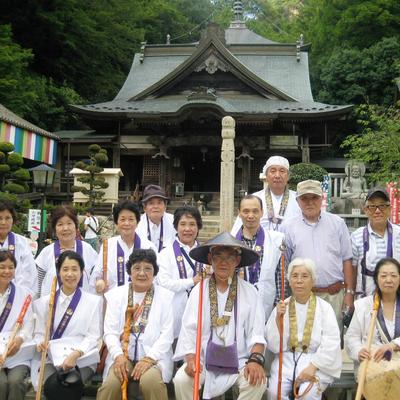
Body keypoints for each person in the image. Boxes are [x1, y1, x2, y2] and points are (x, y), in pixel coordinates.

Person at [173, 232, 267, 400]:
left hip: (239, 361)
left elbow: (257, 333)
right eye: (218, 257)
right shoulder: (199, 290)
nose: (223, 263)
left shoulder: (250, 292)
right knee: (181, 380)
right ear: (210, 259)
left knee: (258, 382)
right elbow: (188, 330)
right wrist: (191, 358)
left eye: (230, 257)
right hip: (203, 361)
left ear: (237, 261)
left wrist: (255, 360)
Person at [97, 249, 174, 400]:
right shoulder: (116, 296)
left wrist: (149, 358)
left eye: (148, 268)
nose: (142, 273)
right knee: (112, 384)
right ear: (129, 271)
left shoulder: (166, 297)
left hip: (154, 358)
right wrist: (118, 356)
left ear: (154, 272)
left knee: (150, 382)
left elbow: (167, 334)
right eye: (137, 268)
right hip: (122, 356)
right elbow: (110, 333)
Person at [266, 258, 342, 400]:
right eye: (295, 276)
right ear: (289, 281)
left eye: (305, 276)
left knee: (307, 395)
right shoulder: (283, 306)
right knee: (274, 393)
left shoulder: (325, 308)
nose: (299, 280)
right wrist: (278, 319)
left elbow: (331, 342)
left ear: (313, 281)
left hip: (316, 360)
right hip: (287, 358)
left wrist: (313, 367)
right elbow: (274, 346)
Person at [281, 180, 354, 326]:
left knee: (332, 340)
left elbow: (347, 259)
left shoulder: (337, 223)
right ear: (297, 201)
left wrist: (349, 293)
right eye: (304, 198)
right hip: (302, 295)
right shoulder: (288, 227)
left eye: (314, 197)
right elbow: (285, 264)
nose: (310, 202)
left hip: (333, 294)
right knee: (303, 340)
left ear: (322, 198)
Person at [33, 250, 102, 400]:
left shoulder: (93, 301)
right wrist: (40, 343)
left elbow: (93, 336)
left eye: (74, 269)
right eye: (65, 269)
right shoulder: (46, 302)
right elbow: (39, 333)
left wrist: (76, 354)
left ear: (82, 272)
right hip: (51, 357)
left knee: (67, 386)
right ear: (58, 272)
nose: (70, 274)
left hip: (82, 358)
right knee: (50, 386)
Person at [230, 194, 284, 320]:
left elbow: (280, 276)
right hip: (237, 304)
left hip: (266, 304)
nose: (250, 216)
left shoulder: (276, 240)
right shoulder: (230, 243)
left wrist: (278, 304)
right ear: (239, 213)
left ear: (262, 213)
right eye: (246, 211)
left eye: (255, 211)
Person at [157, 206, 205, 339]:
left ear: (198, 227)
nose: (187, 229)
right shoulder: (166, 253)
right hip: (174, 313)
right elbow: (164, 283)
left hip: (200, 313)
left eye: (192, 224)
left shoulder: (207, 253)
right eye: (182, 224)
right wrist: (192, 281)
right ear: (176, 227)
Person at [345, 257, 400, 370]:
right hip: (373, 366)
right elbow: (352, 337)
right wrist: (359, 351)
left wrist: (393, 345)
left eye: (394, 276)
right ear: (376, 279)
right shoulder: (363, 305)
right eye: (383, 276)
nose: (389, 280)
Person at [90, 201, 156, 293]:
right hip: (114, 302)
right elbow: (97, 276)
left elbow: (156, 278)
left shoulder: (148, 247)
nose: (127, 223)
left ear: (137, 222)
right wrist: (99, 282)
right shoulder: (107, 246)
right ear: (116, 223)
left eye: (131, 219)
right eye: (122, 219)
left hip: (141, 302)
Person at [35, 205, 98, 297]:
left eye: (69, 223)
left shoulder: (88, 250)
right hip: (52, 308)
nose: (65, 228)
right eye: (60, 224)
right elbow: (38, 284)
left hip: (83, 308)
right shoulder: (46, 252)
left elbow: (96, 279)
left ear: (76, 226)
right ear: (54, 228)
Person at [351, 187, 400, 298]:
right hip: (365, 301)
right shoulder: (356, 236)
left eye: (382, 205)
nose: (377, 211)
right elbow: (353, 270)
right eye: (372, 206)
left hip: (396, 302)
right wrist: (350, 295)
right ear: (366, 210)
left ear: (390, 209)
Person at [231, 156, 300, 232]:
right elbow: (237, 230)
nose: (277, 175)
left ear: (288, 176)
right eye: (273, 171)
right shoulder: (253, 199)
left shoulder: (299, 199)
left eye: (282, 171)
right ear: (266, 176)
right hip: (259, 243)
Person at [0, 250, 34, 400]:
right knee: (0, 384)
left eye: (11, 267)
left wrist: (20, 339)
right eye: (2, 267)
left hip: (17, 352)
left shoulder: (24, 294)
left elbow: (29, 324)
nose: (7, 271)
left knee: (16, 381)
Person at [0, 201, 37, 295]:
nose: (3, 222)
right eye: (0, 218)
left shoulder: (22, 242)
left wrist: (17, 294)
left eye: (7, 218)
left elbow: (29, 273)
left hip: (17, 297)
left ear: (13, 220)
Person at [136, 184, 177, 252]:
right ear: (144, 208)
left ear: (165, 206)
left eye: (159, 203)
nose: (155, 206)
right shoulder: (137, 223)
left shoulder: (175, 222)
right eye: (151, 203)